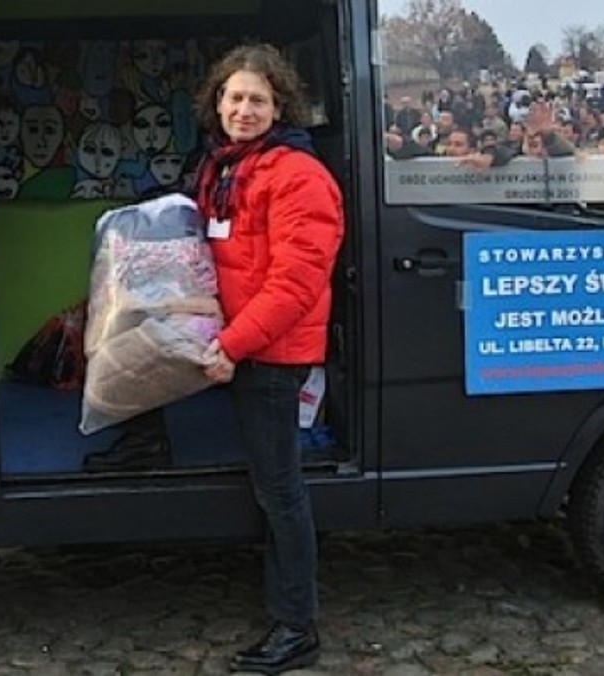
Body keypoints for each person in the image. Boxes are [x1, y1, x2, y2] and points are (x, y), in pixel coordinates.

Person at [196, 43, 342, 673]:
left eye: (257, 99)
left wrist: (230, 346)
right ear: (218, 103)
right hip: (244, 346)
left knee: (281, 491)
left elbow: (294, 284)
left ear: (279, 105)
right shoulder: (230, 166)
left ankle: (295, 626)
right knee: (269, 485)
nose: (244, 109)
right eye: (235, 97)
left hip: (269, 355)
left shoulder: (296, 175)